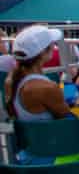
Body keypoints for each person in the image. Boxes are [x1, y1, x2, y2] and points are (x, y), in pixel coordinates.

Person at [5, 26, 73, 164]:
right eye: (52, 45)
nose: (54, 47)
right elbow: (71, 122)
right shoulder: (46, 87)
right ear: (43, 53)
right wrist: (71, 87)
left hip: (29, 153)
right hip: (54, 157)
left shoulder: (10, 80)